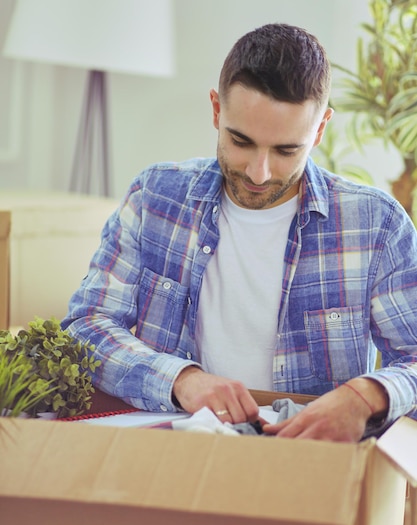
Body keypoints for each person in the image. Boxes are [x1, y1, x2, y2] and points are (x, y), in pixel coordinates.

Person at [62, 23, 417, 442]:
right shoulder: (155, 197)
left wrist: (364, 396)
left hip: (313, 473)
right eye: (240, 141)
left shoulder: (376, 224)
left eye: (286, 150)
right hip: (170, 454)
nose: (258, 173)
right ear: (216, 110)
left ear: (319, 129)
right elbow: (87, 327)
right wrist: (182, 380)